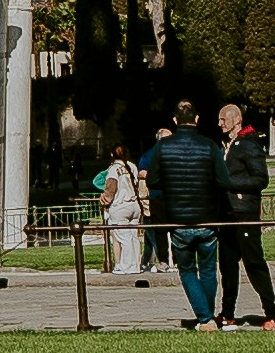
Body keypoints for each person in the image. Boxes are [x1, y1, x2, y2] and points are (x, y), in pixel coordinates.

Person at [140, 100, 227, 327]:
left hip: (178, 216)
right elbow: (223, 180)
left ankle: (205, 317)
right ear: (197, 119)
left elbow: (152, 180)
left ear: (175, 121)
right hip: (207, 216)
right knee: (208, 269)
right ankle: (207, 314)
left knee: (187, 270)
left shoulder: (163, 147)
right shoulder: (209, 146)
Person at [213, 105, 275, 327]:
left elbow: (261, 179)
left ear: (236, 119)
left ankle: (270, 314)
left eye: (223, 119)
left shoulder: (249, 144)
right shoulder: (227, 146)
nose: (220, 123)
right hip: (228, 213)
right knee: (228, 266)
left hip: (244, 212)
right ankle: (227, 312)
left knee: (254, 263)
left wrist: (229, 184)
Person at [96, 143, 148, 277]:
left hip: (120, 205)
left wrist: (104, 200)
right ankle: (136, 264)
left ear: (112, 155)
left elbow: (111, 189)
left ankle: (126, 266)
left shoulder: (113, 169)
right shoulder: (132, 166)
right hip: (134, 205)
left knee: (123, 237)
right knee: (134, 237)